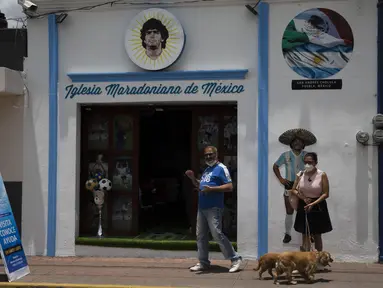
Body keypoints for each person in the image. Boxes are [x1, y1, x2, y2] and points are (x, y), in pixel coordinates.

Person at [185, 146, 242, 273]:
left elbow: (230, 186)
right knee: (201, 235)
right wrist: (193, 178)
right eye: (206, 155)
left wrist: (212, 190)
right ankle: (203, 262)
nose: (208, 157)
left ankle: (235, 259)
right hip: (202, 207)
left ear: (216, 155)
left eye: (211, 154)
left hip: (214, 207)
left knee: (217, 233)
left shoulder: (221, 168)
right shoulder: (207, 170)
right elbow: (201, 186)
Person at [273, 128, 317, 244]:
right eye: (295, 141)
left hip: (303, 185)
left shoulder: (306, 156)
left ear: (303, 144)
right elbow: (275, 166)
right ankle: (287, 233)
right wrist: (281, 179)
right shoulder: (285, 155)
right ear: (291, 143)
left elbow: (312, 168)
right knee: (289, 210)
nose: (297, 143)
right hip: (289, 184)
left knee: (305, 209)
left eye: (300, 141)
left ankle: (309, 232)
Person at [290, 152, 332, 263]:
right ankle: (306, 260)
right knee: (305, 233)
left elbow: (326, 193)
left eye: (310, 162)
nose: (308, 164)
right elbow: (293, 189)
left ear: (315, 162)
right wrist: (303, 198)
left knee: (317, 234)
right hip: (304, 204)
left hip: (317, 205)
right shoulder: (300, 174)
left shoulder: (322, 174)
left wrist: (313, 204)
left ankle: (319, 260)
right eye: (306, 162)